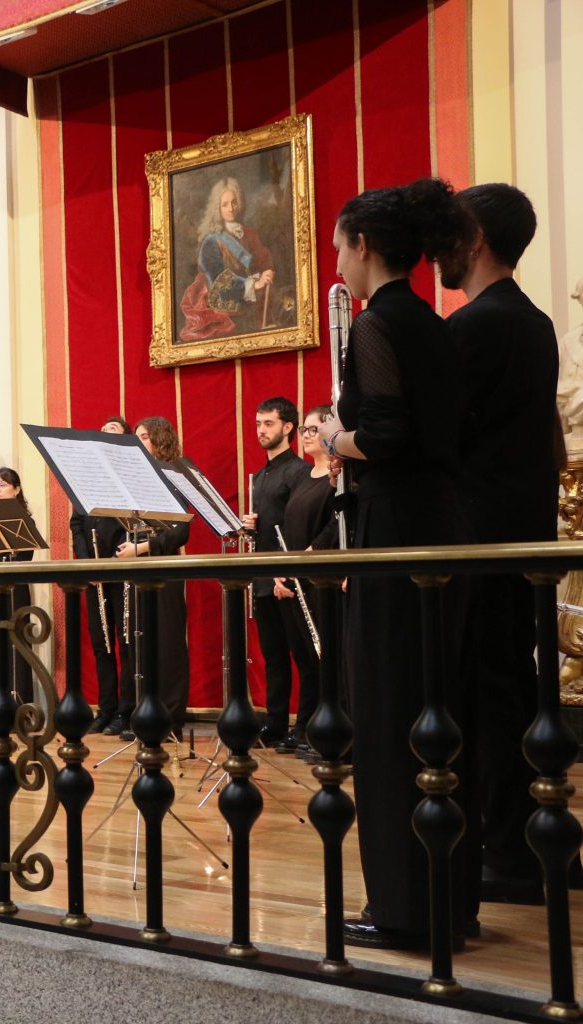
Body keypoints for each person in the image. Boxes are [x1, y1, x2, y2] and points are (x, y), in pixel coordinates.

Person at [317, 177, 477, 949]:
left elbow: (380, 434)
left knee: (386, 715)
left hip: (394, 531)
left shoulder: (377, 325)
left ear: (366, 245)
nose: (339, 262)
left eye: (342, 245)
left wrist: (330, 442)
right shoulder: (432, 321)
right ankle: (450, 901)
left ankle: (403, 911)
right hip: (442, 526)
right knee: (437, 715)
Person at [443, 183, 561, 906]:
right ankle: (524, 837)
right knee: (513, 686)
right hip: (524, 531)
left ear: (477, 238)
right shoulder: (536, 322)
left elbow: (438, 438)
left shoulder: (475, 325)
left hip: (479, 536)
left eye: (451, 235)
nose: (440, 251)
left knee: (483, 693)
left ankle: (503, 849)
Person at [241, 397, 313, 750]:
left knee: (302, 655)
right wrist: (251, 526)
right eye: (257, 423)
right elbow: (267, 527)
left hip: (288, 577)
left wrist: (286, 574)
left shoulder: (299, 471)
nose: (260, 430)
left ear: (288, 428)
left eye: (268, 423)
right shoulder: (261, 474)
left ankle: (305, 727)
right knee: (273, 657)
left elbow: (300, 528)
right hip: (263, 575)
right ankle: (275, 723)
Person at [269, 404, 340, 760]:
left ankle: (330, 732)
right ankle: (308, 727)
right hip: (295, 578)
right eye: (306, 430)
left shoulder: (338, 480)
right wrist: (283, 570)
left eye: (314, 429)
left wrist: (307, 557)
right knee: (306, 661)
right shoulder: (302, 478)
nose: (308, 436)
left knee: (326, 658)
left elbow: (334, 526)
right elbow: (290, 529)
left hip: (320, 579)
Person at [116, 416, 190, 732]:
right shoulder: (133, 479)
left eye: (144, 437)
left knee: (168, 643)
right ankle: (141, 710)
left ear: (159, 440)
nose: (138, 442)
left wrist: (141, 548)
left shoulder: (174, 475)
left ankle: (170, 714)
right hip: (137, 571)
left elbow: (180, 532)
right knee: (138, 640)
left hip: (164, 570)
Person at [70, 416, 134, 734]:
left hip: (121, 570)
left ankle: (126, 710)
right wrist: (87, 562)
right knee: (101, 643)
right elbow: (77, 525)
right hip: (94, 573)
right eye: (103, 430)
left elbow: (135, 524)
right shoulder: (86, 478)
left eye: (114, 431)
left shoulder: (132, 476)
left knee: (124, 641)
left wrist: (112, 560)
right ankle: (106, 708)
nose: (106, 434)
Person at [180, 178, 278, 341]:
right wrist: (256, 284)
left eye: (234, 202)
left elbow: (263, 259)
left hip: (253, 310)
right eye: (224, 204)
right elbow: (220, 282)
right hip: (226, 315)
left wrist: (267, 270)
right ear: (217, 208)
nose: (231, 208)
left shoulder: (250, 234)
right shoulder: (212, 242)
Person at [0, 467, 38, 704]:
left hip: (14, 593)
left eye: (2, 485)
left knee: (16, 647)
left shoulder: (26, 521)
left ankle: (18, 704)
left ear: (17, 489)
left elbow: (23, 559)